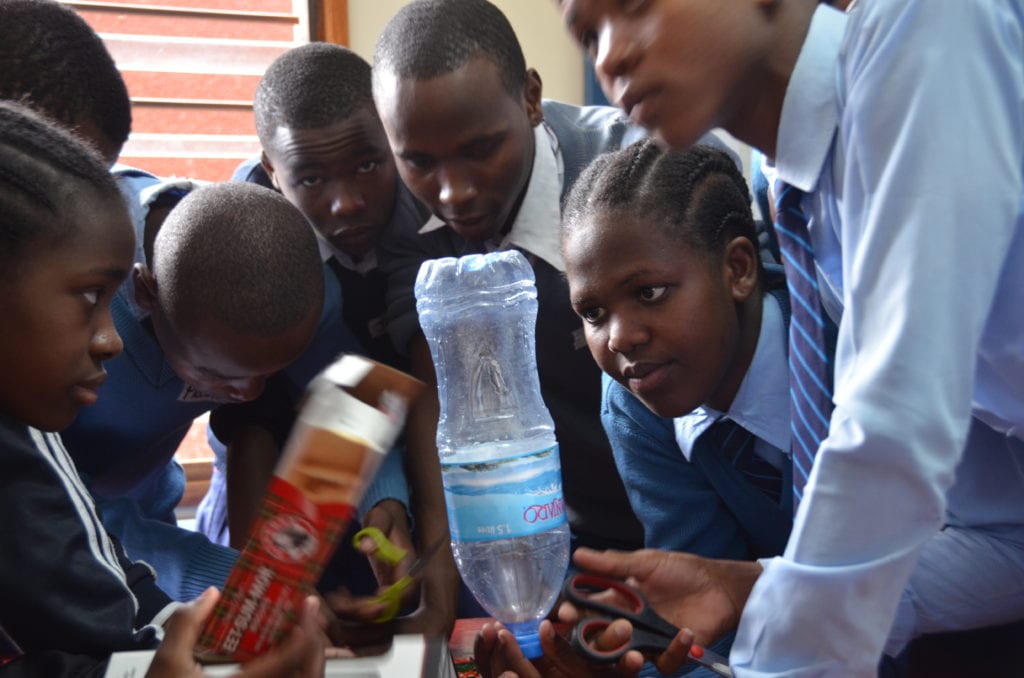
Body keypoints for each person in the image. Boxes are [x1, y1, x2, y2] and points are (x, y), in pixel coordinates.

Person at [549, 0, 1024, 675]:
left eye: (633, 6)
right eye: (588, 33)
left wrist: (784, 648)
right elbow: (1003, 532)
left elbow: (894, 429)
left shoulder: (926, 24)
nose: (608, 57)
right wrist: (762, 588)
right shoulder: (790, 194)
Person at [0, 98, 325, 678]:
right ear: (147, 296)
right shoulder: (22, 431)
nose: (110, 341)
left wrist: (204, 625)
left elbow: (107, 614)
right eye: (88, 299)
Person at [373, 0, 707, 562]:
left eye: (480, 150)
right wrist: (438, 560)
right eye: (420, 162)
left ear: (531, 98)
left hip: (702, 517)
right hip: (562, 535)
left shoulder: (649, 172)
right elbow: (442, 392)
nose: (452, 192)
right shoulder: (403, 218)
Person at [211, 42, 443, 632]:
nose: (347, 202)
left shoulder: (435, 213)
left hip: (408, 487)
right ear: (270, 169)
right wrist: (269, 596)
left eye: (368, 165)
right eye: (310, 178)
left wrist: (392, 507)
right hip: (275, 490)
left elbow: (422, 388)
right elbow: (251, 423)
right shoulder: (246, 247)